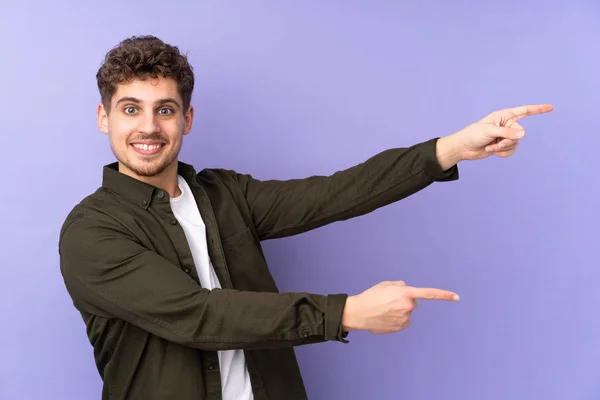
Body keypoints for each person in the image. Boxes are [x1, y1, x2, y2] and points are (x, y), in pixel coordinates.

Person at [58, 35, 553, 400]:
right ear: (105, 118)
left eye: (165, 110)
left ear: (187, 119)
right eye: (130, 109)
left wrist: (450, 150)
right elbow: (199, 316)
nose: (149, 126)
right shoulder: (91, 232)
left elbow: (334, 194)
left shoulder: (224, 194)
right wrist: (346, 313)